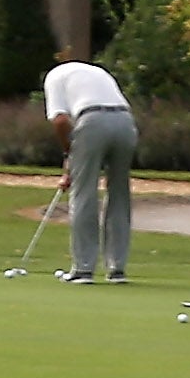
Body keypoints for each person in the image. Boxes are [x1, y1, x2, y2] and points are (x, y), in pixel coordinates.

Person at [40, 48, 135, 283]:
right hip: (125, 121)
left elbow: (61, 120)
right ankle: (117, 269)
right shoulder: (98, 72)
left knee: (84, 194)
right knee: (120, 194)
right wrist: (71, 161)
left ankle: (83, 269)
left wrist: (68, 153)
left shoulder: (54, 77)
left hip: (91, 120)